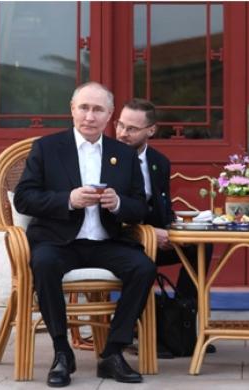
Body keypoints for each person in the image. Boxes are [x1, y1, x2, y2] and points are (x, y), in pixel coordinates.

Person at [14, 82, 156, 387]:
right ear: (72, 110)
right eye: (83, 108)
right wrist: (68, 199)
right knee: (44, 263)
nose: (89, 116)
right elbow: (24, 198)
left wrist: (118, 203)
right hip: (57, 240)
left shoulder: (124, 154)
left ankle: (113, 353)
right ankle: (62, 353)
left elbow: (139, 207)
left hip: (106, 241)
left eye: (97, 109)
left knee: (143, 267)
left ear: (110, 116)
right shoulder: (47, 148)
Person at [115, 98, 215, 358]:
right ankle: (133, 331)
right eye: (120, 125)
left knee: (199, 247)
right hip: (120, 240)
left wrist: (176, 231)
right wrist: (148, 234)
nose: (123, 133)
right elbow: (106, 215)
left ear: (151, 130)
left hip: (154, 237)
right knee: (141, 260)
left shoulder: (159, 161)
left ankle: (178, 326)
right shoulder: (107, 158)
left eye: (131, 129)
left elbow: (163, 208)